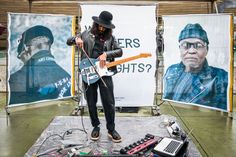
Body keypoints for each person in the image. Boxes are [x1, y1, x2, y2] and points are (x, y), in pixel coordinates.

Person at [67, 11, 123, 142]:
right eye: (99, 25)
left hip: (104, 72)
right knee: (91, 101)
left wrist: (107, 54)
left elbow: (120, 51)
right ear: (96, 23)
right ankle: (96, 126)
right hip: (88, 73)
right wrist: (76, 39)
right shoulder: (86, 34)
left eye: (105, 26)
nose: (102, 28)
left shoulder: (111, 38)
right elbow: (69, 41)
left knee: (109, 102)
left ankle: (111, 129)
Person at [163, 23, 228, 110]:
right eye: (185, 45)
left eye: (198, 46)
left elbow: (219, 115)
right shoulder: (171, 70)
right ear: (180, 49)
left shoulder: (220, 77)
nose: (192, 51)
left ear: (206, 50)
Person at [9, 25, 71, 105]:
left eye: (21, 56)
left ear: (26, 48)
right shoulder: (68, 77)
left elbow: (16, 111)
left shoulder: (16, 79)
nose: (20, 58)